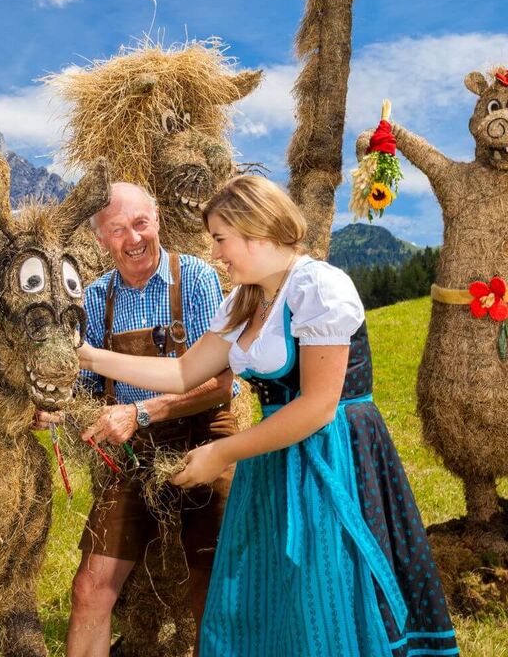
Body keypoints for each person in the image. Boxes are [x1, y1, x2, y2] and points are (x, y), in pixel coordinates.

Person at [78, 175, 458, 657]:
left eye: (221, 239)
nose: (216, 254)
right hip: (274, 457)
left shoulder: (318, 287)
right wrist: (86, 356)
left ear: (255, 230)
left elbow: (318, 407)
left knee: (325, 595)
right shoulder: (247, 298)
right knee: (264, 599)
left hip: (332, 457)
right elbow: (182, 371)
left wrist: (220, 451)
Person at [57, 181, 237, 657]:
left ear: (156, 219)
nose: (133, 238)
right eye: (117, 229)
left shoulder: (195, 278)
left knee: (210, 582)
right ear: (100, 239)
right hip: (134, 455)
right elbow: (86, 387)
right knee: (90, 588)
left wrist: (142, 411)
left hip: (205, 436)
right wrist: (54, 407)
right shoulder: (97, 298)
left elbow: (220, 383)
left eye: (140, 223)